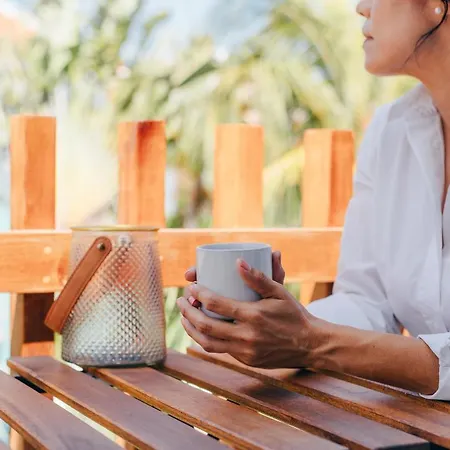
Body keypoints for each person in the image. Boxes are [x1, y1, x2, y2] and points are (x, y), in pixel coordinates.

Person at [177, 0, 450, 400]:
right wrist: (276, 321)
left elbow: (321, 342)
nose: (361, 7)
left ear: (436, 7)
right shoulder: (390, 131)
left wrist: (310, 341)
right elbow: (367, 304)